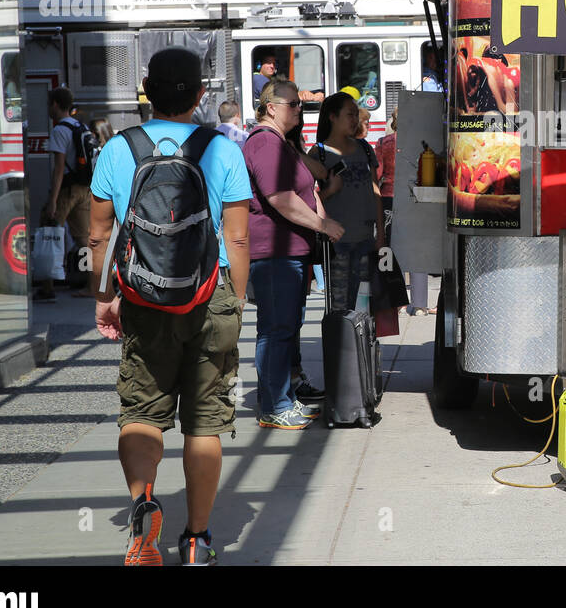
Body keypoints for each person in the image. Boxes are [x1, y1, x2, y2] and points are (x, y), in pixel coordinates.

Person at [88, 48, 252, 566]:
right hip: (212, 292)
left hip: (142, 295)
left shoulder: (117, 149)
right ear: (200, 95)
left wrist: (104, 296)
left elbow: (98, 236)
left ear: (146, 88)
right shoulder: (221, 150)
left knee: (141, 410)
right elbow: (240, 239)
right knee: (205, 422)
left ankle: (142, 513)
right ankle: (198, 541)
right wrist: (235, 301)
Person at [243, 80, 344, 430]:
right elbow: (280, 198)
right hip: (274, 252)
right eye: (293, 104)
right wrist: (322, 224)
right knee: (276, 329)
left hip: (288, 251)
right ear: (271, 107)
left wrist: (319, 213)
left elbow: (306, 187)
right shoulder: (266, 144)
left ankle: (282, 398)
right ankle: (274, 405)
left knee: (285, 327)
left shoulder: (279, 144)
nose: (300, 110)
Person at [310, 92, 384, 316]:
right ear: (332, 117)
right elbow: (307, 202)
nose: (355, 120)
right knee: (339, 309)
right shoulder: (318, 154)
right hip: (336, 245)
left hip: (365, 241)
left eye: (356, 115)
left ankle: (364, 350)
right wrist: (330, 190)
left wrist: (381, 235)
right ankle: (341, 350)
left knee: (365, 309)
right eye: (349, 115)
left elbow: (375, 190)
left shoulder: (364, 148)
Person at [36, 87, 92, 300]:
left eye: (49, 104)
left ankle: (47, 286)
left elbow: (59, 168)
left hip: (67, 190)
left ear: (56, 105)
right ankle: (92, 283)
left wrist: (52, 200)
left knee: (48, 230)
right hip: (84, 188)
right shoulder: (80, 125)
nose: (48, 108)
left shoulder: (60, 130)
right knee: (84, 239)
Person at [375, 110, 431, 315]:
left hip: (390, 198)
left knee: (389, 251)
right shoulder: (423, 144)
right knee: (418, 252)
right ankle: (420, 304)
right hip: (417, 199)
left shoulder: (384, 143)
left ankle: (395, 301)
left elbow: (378, 173)